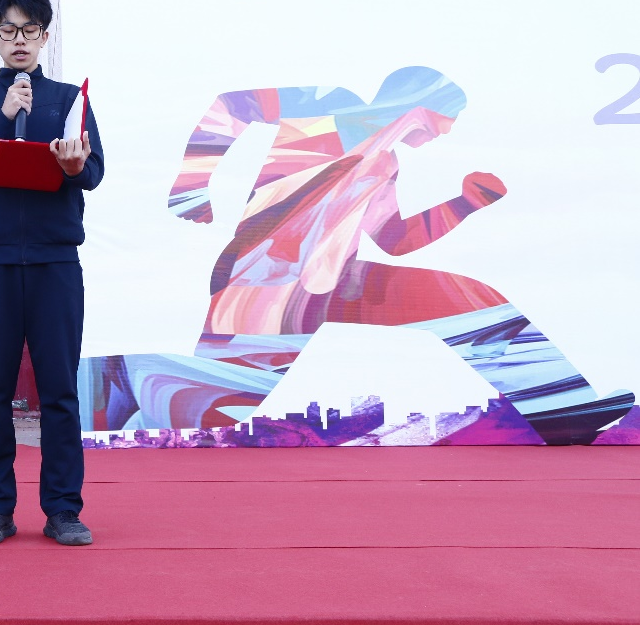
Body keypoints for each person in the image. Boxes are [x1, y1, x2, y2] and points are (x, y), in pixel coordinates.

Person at [145, 66, 631, 444]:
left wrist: (464, 203)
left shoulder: (386, 163)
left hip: (338, 283)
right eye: (448, 118)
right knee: (212, 406)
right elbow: (232, 104)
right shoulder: (328, 105)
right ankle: (98, 397)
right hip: (267, 282)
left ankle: (563, 413)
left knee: (473, 301)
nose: (446, 132)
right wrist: (191, 185)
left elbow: (396, 239)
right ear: (421, 106)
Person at [0, 0, 104, 545]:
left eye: (29, 30)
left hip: (56, 262)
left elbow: (93, 173)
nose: (19, 40)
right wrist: (2, 115)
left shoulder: (68, 100)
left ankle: (63, 510)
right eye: (8, 30)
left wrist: (74, 166)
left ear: (44, 37)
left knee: (59, 390)